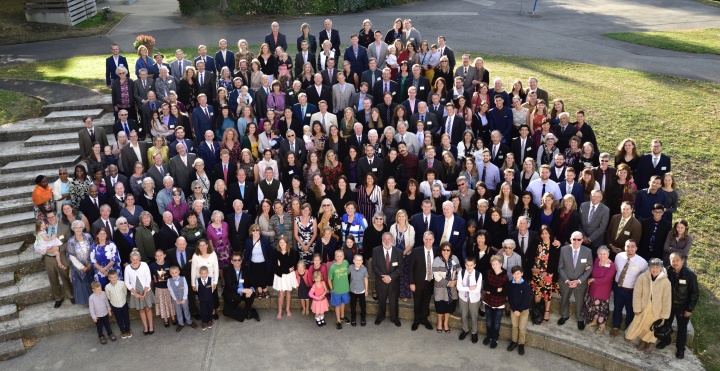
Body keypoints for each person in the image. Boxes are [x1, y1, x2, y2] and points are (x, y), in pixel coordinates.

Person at [625, 258, 672, 355]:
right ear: (649, 268)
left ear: (661, 268)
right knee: (643, 325)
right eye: (652, 267)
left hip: (658, 309)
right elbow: (637, 293)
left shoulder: (666, 282)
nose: (655, 269)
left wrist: (665, 313)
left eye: (657, 267)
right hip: (644, 306)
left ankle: (650, 343)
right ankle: (643, 340)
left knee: (654, 327)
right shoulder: (642, 277)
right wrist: (637, 308)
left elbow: (667, 299)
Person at [657, 253, 699, 359]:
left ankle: (680, 349)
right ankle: (666, 340)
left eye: (677, 260)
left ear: (682, 261)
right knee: (667, 324)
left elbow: (694, 293)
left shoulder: (690, 275)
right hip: (669, 305)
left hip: (683, 306)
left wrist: (689, 309)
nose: (675, 262)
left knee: (682, 329)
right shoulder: (667, 271)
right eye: (672, 260)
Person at [557, 231, 593, 330]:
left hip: (580, 283)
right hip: (565, 281)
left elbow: (589, 268)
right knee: (564, 299)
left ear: (582, 240)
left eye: (578, 239)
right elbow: (560, 267)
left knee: (580, 301)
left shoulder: (588, 251)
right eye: (574, 239)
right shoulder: (563, 250)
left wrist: (579, 281)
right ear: (570, 240)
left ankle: (580, 318)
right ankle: (564, 315)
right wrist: (567, 280)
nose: (576, 241)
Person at [581, 246, 616, 335]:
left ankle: (602, 325)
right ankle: (594, 321)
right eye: (600, 253)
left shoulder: (612, 266)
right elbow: (592, 270)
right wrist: (587, 268)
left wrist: (593, 280)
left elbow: (606, 279)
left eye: (604, 254)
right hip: (593, 289)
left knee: (602, 309)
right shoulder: (596, 260)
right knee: (594, 307)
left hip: (603, 291)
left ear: (608, 254)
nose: (602, 255)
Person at [372, 232, 403, 326]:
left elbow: (400, 267)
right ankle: (380, 316)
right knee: (381, 300)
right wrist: (383, 276)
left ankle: (395, 318)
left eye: (389, 239)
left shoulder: (398, 251)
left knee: (393, 301)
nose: (387, 241)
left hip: (393, 281)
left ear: (392, 240)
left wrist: (390, 277)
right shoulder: (376, 250)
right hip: (381, 281)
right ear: (382, 241)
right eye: (385, 239)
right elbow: (374, 266)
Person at [530, 225, 560, 323]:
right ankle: (537, 310)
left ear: (550, 234)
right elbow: (530, 257)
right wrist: (533, 268)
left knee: (547, 293)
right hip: (537, 273)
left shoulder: (554, 245)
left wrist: (548, 272)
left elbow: (556, 262)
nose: (544, 235)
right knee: (537, 293)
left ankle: (546, 312)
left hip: (548, 274)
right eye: (542, 233)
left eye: (546, 233)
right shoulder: (536, 243)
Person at [410, 231, 438, 331]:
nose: (428, 241)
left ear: (433, 240)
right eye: (426, 239)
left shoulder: (437, 250)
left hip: (431, 282)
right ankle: (416, 320)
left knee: (426, 302)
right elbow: (411, 268)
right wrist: (411, 282)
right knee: (417, 302)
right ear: (423, 239)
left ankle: (424, 319)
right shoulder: (416, 251)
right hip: (418, 282)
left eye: (430, 239)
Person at [124, 249, 155, 335]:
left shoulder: (144, 265)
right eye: (133, 259)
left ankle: (151, 326)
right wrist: (135, 293)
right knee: (141, 310)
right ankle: (145, 326)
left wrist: (145, 291)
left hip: (146, 290)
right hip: (136, 292)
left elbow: (148, 278)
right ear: (130, 259)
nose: (135, 261)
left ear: (140, 258)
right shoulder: (127, 268)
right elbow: (127, 282)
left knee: (148, 308)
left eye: (136, 259)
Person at [65, 220, 93, 305]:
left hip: (90, 265)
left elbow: (93, 249)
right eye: (76, 227)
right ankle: (87, 302)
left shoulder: (88, 236)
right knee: (83, 286)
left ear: (83, 228)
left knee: (92, 283)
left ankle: (94, 301)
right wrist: (82, 267)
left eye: (80, 227)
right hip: (79, 268)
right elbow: (71, 256)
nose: (78, 229)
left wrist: (91, 264)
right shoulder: (71, 241)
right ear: (73, 229)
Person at [483, 255, 508, 348]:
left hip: (499, 303)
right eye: (493, 264)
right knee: (489, 322)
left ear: (501, 264)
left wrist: (492, 291)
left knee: (496, 323)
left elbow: (505, 292)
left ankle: (495, 338)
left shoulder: (505, 276)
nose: (494, 266)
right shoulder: (489, 272)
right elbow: (485, 287)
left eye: (496, 264)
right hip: (488, 301)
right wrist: (497, 289)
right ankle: (488, 336)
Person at [191, 239, 220, 319]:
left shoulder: (213, 254)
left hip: (211, 280)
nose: (202, 247)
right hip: (200, 281)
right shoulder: (195, 256)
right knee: (203, 297)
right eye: (200, 245)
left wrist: (215, 282)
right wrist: (193, 283)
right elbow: (193, 270)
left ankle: (213, 311)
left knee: (212, 296)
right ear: (198, 247)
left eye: (204, 245)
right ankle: (205, 312)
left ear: (207, 245)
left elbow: (216, 268)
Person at [457, 256, 482, 343]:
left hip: (474, 299)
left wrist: (466, 288)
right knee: (463, 315)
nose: (469, 267)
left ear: (474, 265)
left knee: (474, 316)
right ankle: (465, 330)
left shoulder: (478, 274)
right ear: (465, 265)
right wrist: (470, 288)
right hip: (463, 298)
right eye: (467, 265)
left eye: (471, 265)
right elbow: (459, 287)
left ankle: (474, 332)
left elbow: (478, 290)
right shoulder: (461, 272)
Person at [507, 266, 532, 355]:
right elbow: (510, 298)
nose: (516, 275)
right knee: (514, 325)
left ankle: (521, 343)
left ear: (522, 274)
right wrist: (514, 309)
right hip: (514, 309)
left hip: (523, 310)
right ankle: (514, 341)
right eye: (514, 274)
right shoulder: (510, 284)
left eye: (518, 273)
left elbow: (526, 300)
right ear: (512, 275)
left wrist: (519, 310)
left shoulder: (526, 285)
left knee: (522, 327)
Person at [273, 236, 299, 319]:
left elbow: (292, 265)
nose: (282, 244)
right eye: (280, 242)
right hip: (279, 276)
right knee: (281, 294)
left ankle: (288, 309)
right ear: (278, 244)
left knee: (288, 292)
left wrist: (281, 266)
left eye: (284, 242)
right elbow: (275, 267)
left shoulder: (292, 252)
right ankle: (280, 311)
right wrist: (286, 269)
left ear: (287, 243)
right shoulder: (275, 252)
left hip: (288, 276)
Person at [149, 249, 176, 327]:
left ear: (164, 255)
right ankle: (165, 319)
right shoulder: (152, 265)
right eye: (157, 256)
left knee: (170, 303)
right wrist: (153, 278)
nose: (159, 257)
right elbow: (149, 276)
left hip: (169, 287)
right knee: (162, 304)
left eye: (161, 255)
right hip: (159, 288)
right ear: (155, 257)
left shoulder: (168, 263)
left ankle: (173, 317)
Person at [167, 265, 199, 331]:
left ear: (179, 272)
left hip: (184, 298)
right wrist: (175, 299)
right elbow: (171, 290)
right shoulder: (169, 280)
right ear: (170, 273)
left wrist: (184, 298)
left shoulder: (183, 278)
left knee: (186, 310)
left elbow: (186, 289)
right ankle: (180, 323)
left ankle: (189, 321)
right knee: (178, 311)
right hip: (176, 300)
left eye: (176, 272)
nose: (174, 274)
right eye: (172, 273)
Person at [328, 249, 351, 330]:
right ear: (335, 257)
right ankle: (338, 320)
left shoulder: (346, 263)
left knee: (343, 303)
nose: (339, 257)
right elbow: (329, 279)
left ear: (343, 256)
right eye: (337, 256)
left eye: (341, 256)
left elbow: (351, 269)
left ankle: (342, 316)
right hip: (336, 290)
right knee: (337, 305)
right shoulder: (332, 267)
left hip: (345, 289)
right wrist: (332, 289)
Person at [105, 269, 131, 338]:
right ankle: (122, 330)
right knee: (119, 318)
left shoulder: (122, 283)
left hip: (123, 303)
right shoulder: (107, 287)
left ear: (117, 277)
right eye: (111, 277)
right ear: (109, 278)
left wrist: (123, 299)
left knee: (126, 317)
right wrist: (113, 302)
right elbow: (108, 296)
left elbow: (125, 292)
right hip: (115, 305)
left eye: (115, 277)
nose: (113, 279)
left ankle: (127, 329)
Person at [348, 254, 369, 327]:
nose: (358, 262)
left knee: (362, 305)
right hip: (353, 290)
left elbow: (366, 279)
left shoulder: (364, 269)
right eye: (356, 260)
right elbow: (345, 275)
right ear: (353, 261)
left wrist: (366, 290)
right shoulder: (350, 267)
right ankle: (353, 317)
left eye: (360, 260)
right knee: (352, 305)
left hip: (361, 290)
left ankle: (363, 317)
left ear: (362, 261)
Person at [196, 265, 216, 330]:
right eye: (202, 273)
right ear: (200, 273)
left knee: (210, 309)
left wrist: (208, 295)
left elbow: (212, 289)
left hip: (210, 298)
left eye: (205, 273)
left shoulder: (211, 279)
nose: (203, 275)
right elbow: (197, 289)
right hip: (202, 299)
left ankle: (209, 320)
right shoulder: (197, 280)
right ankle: (204, 322)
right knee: (203, 310)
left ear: (207, 273)